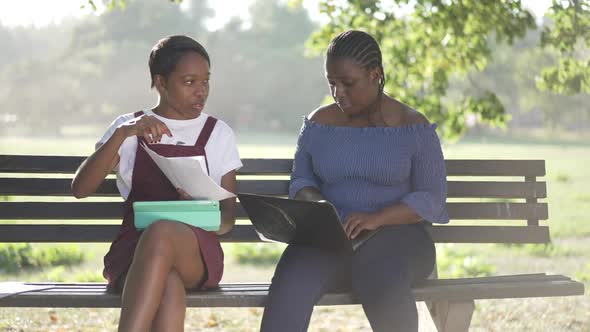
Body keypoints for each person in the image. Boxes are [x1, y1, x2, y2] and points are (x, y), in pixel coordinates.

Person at [260, 30, 449, 332]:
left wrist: (377, 218)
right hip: (333, 238)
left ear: (375, 74)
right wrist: (319, 206)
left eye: (348, 83)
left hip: (401, 239)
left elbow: (432, 197)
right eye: (332, 83)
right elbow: (301, 180)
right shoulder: (319, 125)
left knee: (379, 268)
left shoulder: (414, 126)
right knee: (294, 272)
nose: (338, 93)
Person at [71, 35, 242, 332]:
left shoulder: (219, 133)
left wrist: (200, 211)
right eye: (190, 82)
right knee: (168, 285)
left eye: (206, 81)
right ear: (161, 83)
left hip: (196, 254)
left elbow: (228, 219)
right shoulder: (128, 127)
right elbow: (80, 189)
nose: (201, 91)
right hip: (134, 253)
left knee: (161, 230)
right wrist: (122, 134)